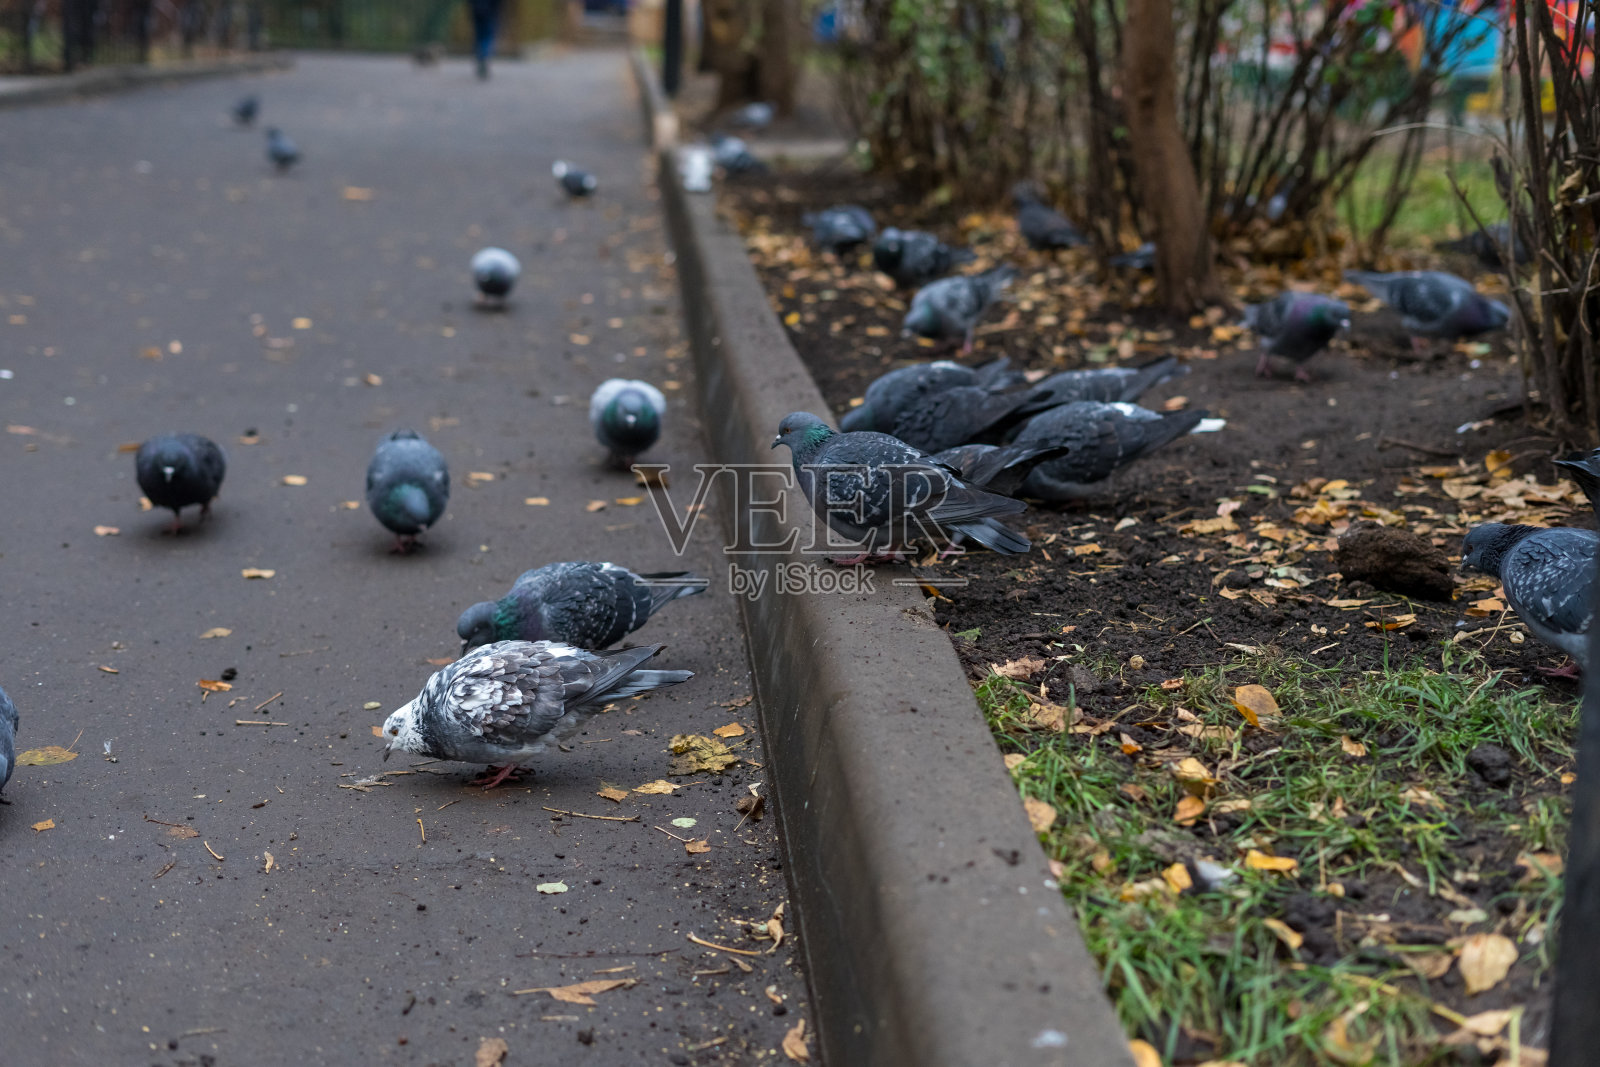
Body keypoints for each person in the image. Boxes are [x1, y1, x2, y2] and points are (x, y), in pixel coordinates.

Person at [467, 0, 503, 79]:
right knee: (487, 35)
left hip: (476, 10)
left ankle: (480, 56)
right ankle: (484, 55)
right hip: (490, 10)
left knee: (479, 35)